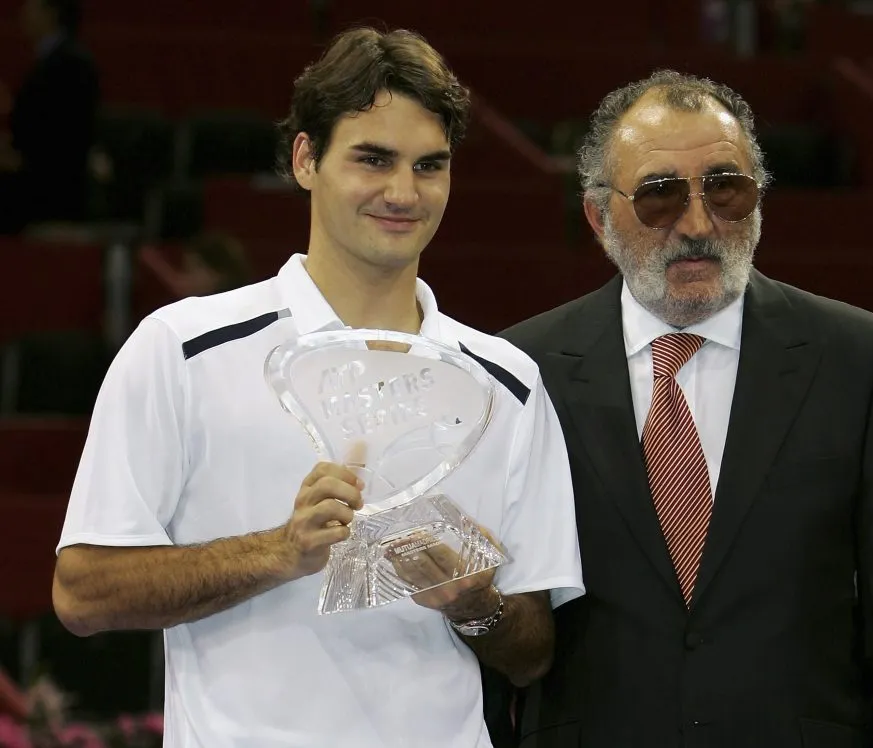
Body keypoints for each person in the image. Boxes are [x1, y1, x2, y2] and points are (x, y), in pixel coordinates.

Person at [52, 27, 583, 748]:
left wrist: (473, 603)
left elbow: (534, 652)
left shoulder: (507, 384)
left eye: (430, 166)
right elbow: (83, 592)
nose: (404, 192)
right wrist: (279, 551)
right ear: (305, 159)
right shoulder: (182, 349)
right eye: (373, 159)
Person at [500, 70, 873, 747]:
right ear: (599, 218)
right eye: (660, 197)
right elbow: (498, 629)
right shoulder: (523, 368)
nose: (698, 225)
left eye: (725, 189)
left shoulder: (858, 359)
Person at [0, 0, 99, 234]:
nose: (24, 12)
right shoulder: (51, 61)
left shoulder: (71, 64)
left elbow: (63, 135)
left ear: (52, 13)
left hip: (50, 188)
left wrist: (16, 156)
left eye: (32, 5)